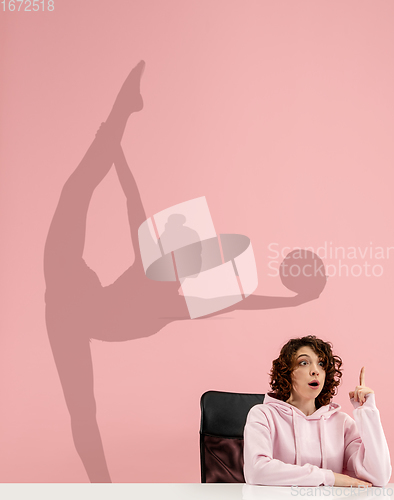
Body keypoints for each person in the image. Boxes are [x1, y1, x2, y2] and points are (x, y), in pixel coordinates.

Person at [44, 62, 327, 482]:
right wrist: (118, 140)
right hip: (75, 290)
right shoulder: (157, 275)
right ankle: (124, 112)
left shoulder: (170, 302)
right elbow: (131, 201)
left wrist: (292, 299)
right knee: (76, 191)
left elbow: (239, 300)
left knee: (82, 413)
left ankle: (102, 489)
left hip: (71, 312)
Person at [243, 336, 392, 487]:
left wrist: (367, 412)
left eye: (321, 364)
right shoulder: (262, 415)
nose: (315, 371)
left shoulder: (342, 423)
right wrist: (329, 478)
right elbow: (257, 471)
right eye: (304, 363)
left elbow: (379, 477)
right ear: (287, 371)